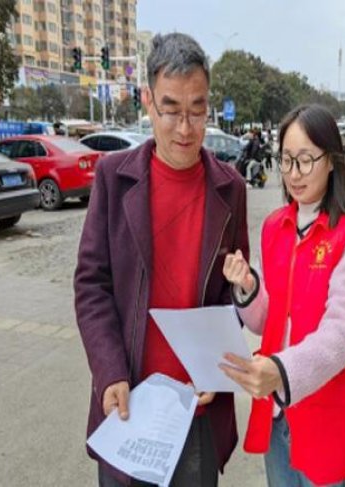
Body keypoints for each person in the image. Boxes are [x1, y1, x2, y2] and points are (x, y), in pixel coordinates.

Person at [74, 32, 249, 487]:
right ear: (148, 101)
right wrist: (109, 371)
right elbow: (92, 284)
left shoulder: (230, 188)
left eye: (197, 110)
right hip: (129, 402)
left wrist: (216, 368)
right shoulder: (113, 177)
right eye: (171, 109)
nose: (185, 129)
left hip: (196, 407)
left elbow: (231, 295)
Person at [220, 104, 345, 486]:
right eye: (287, 159)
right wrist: (248, 288)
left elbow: (343, 333)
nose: (294, 173)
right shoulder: (275, 227)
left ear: (332, 161)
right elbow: (267, 320)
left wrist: (280, 371)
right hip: (277, 412)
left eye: (306, 160)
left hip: (322, 410)